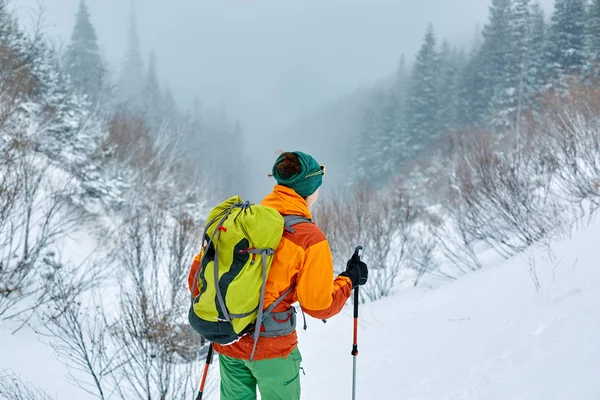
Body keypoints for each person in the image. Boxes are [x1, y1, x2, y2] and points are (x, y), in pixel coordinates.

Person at [187, 150, 368, 400]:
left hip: (230, 341)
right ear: (310, 189)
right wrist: (349, 279)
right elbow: (318, 305)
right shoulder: (309, 238)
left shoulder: (242, 222)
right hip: (274, 348)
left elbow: (196, 278)